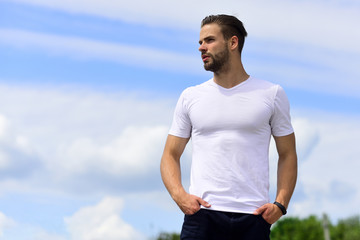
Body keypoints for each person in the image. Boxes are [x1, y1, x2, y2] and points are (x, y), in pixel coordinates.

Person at [160, 14, 297, 240]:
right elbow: (170, 154)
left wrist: (280, 205)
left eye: (209, 40)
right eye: (200, 42)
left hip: (253, 217)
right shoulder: (190, 96)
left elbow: (288, 153)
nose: (201, 48)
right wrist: (180, 196)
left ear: (233, 43)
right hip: (202, 216)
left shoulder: (272, 94)